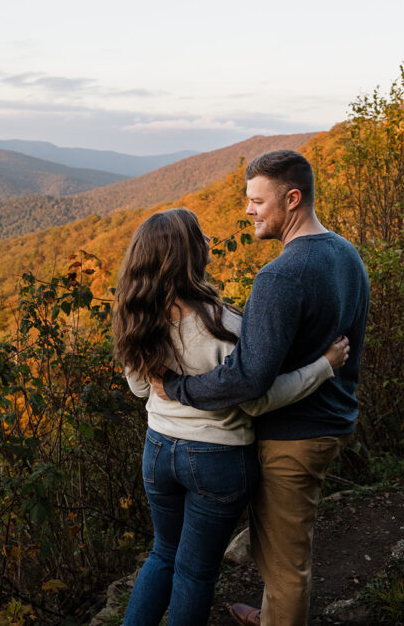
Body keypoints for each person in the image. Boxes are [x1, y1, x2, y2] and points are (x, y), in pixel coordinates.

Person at [151, 150, 370, 626]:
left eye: (256, 201)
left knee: (286, 562)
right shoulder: (345, 253)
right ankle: (271, 616)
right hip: (331, 419)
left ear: (292, 199)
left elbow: (247, 379)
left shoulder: (280, 275)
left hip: (296, 433)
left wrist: (180, 388)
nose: (248, 210)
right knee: (278, 544)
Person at [113, 207, 350, 626]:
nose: (208, 242)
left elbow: (138, 388)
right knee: (195, 570)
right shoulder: (226, 327)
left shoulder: (136, 319)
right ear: (187, 256)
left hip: (158, 450)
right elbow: (255, 401)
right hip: (217, 458)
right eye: (201, 236)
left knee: (162, 553)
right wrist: (324, 366)